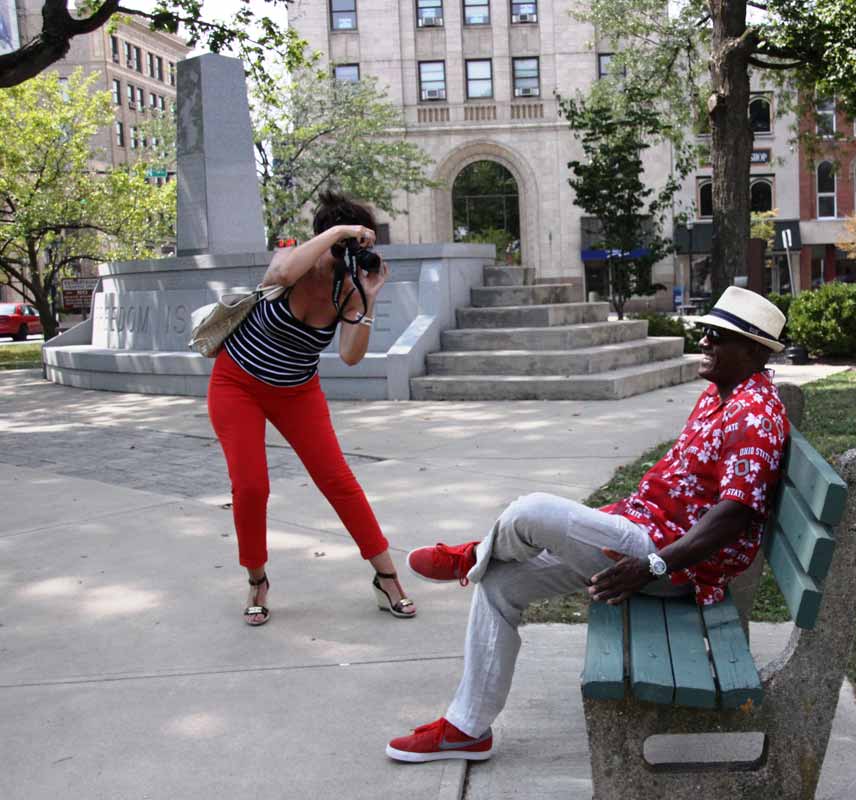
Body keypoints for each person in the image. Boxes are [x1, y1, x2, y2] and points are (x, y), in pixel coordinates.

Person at [386, 286, 789, 762]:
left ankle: (471, 554)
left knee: (534, 510)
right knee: (498, 584)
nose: (704, 342)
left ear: (754, 351)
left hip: (665, 561)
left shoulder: (756, 414)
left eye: (718, 336)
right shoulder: (718, 396)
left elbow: (734, 515)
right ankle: (467, 729)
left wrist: (655, 566)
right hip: (640, 533)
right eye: (705, 332)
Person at [207, 190, 415, 626]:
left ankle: (387, 578)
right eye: (343, 242)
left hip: (297, 393)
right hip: (237, 382)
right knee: (251, 486)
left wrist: (370, 298)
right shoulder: (297, 266)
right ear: (327, 238)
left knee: (337, 479)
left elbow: (352, 355)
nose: (349, 253)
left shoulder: (350, 289)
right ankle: (257, 579)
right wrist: (338, 231)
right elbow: (280, 270)